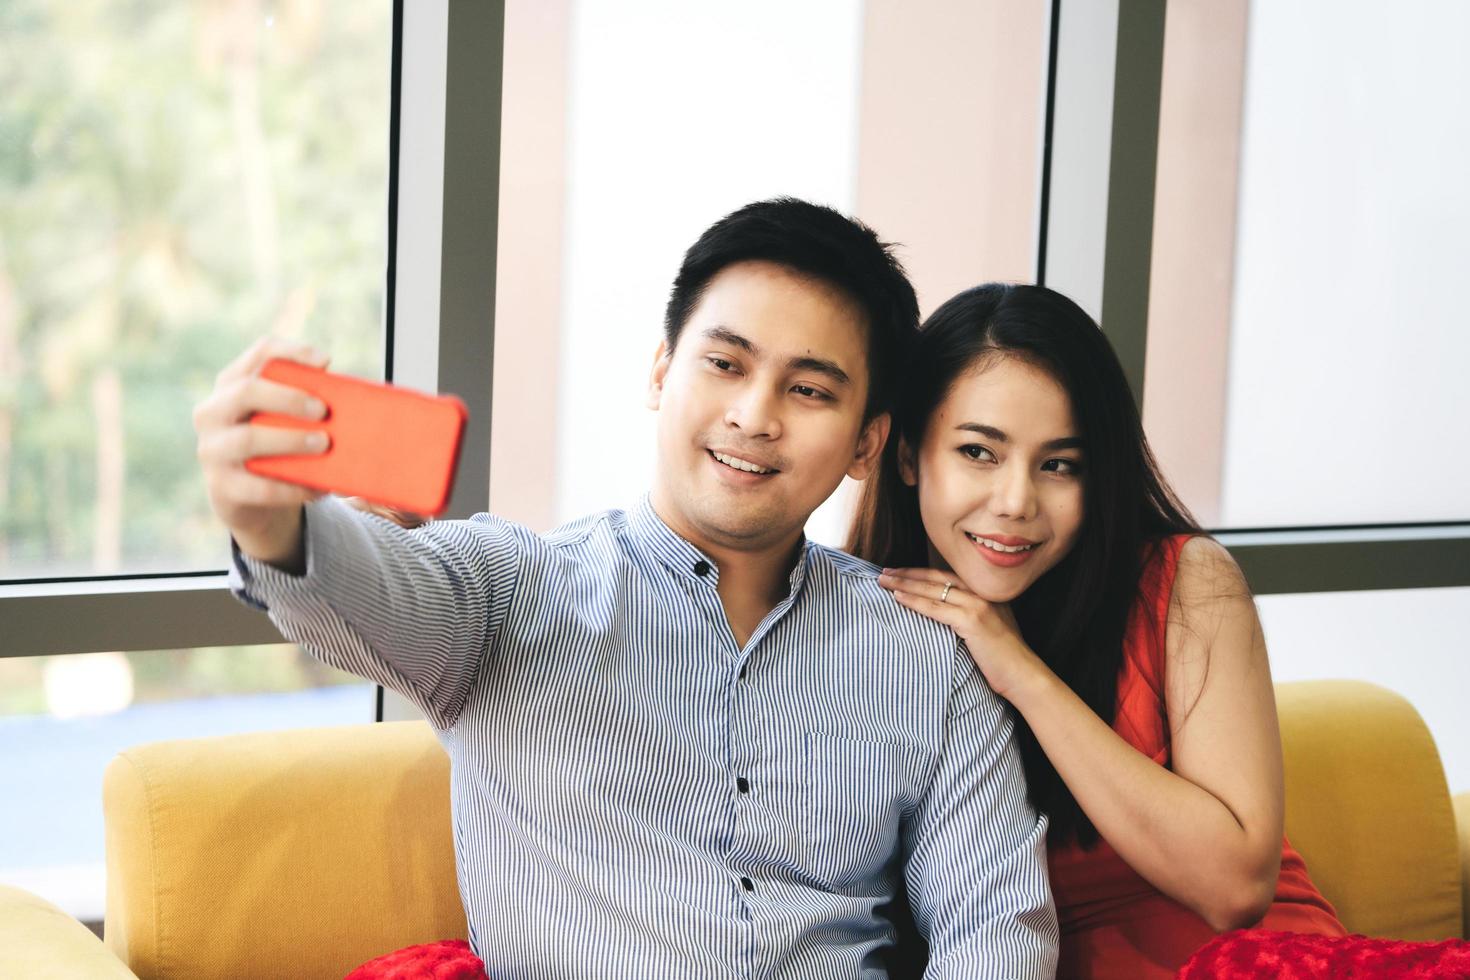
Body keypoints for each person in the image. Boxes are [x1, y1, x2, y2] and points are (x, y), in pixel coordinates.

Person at [193, 200, 1058, 977]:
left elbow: (997, 928)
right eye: (725, 364)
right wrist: (269, 519)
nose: (755, 415)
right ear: (660, 372)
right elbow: (358, 587)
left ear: (869, 443)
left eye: (808, 389)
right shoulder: (513, 592)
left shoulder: (926, 651)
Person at [848, 283, 1345, 979]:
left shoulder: (1185, 584)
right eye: (979, 453)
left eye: (1059, 466)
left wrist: (1019, 671)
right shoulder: (855, 630)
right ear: (907, 456)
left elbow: (1235, 889)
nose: (1016, 502)